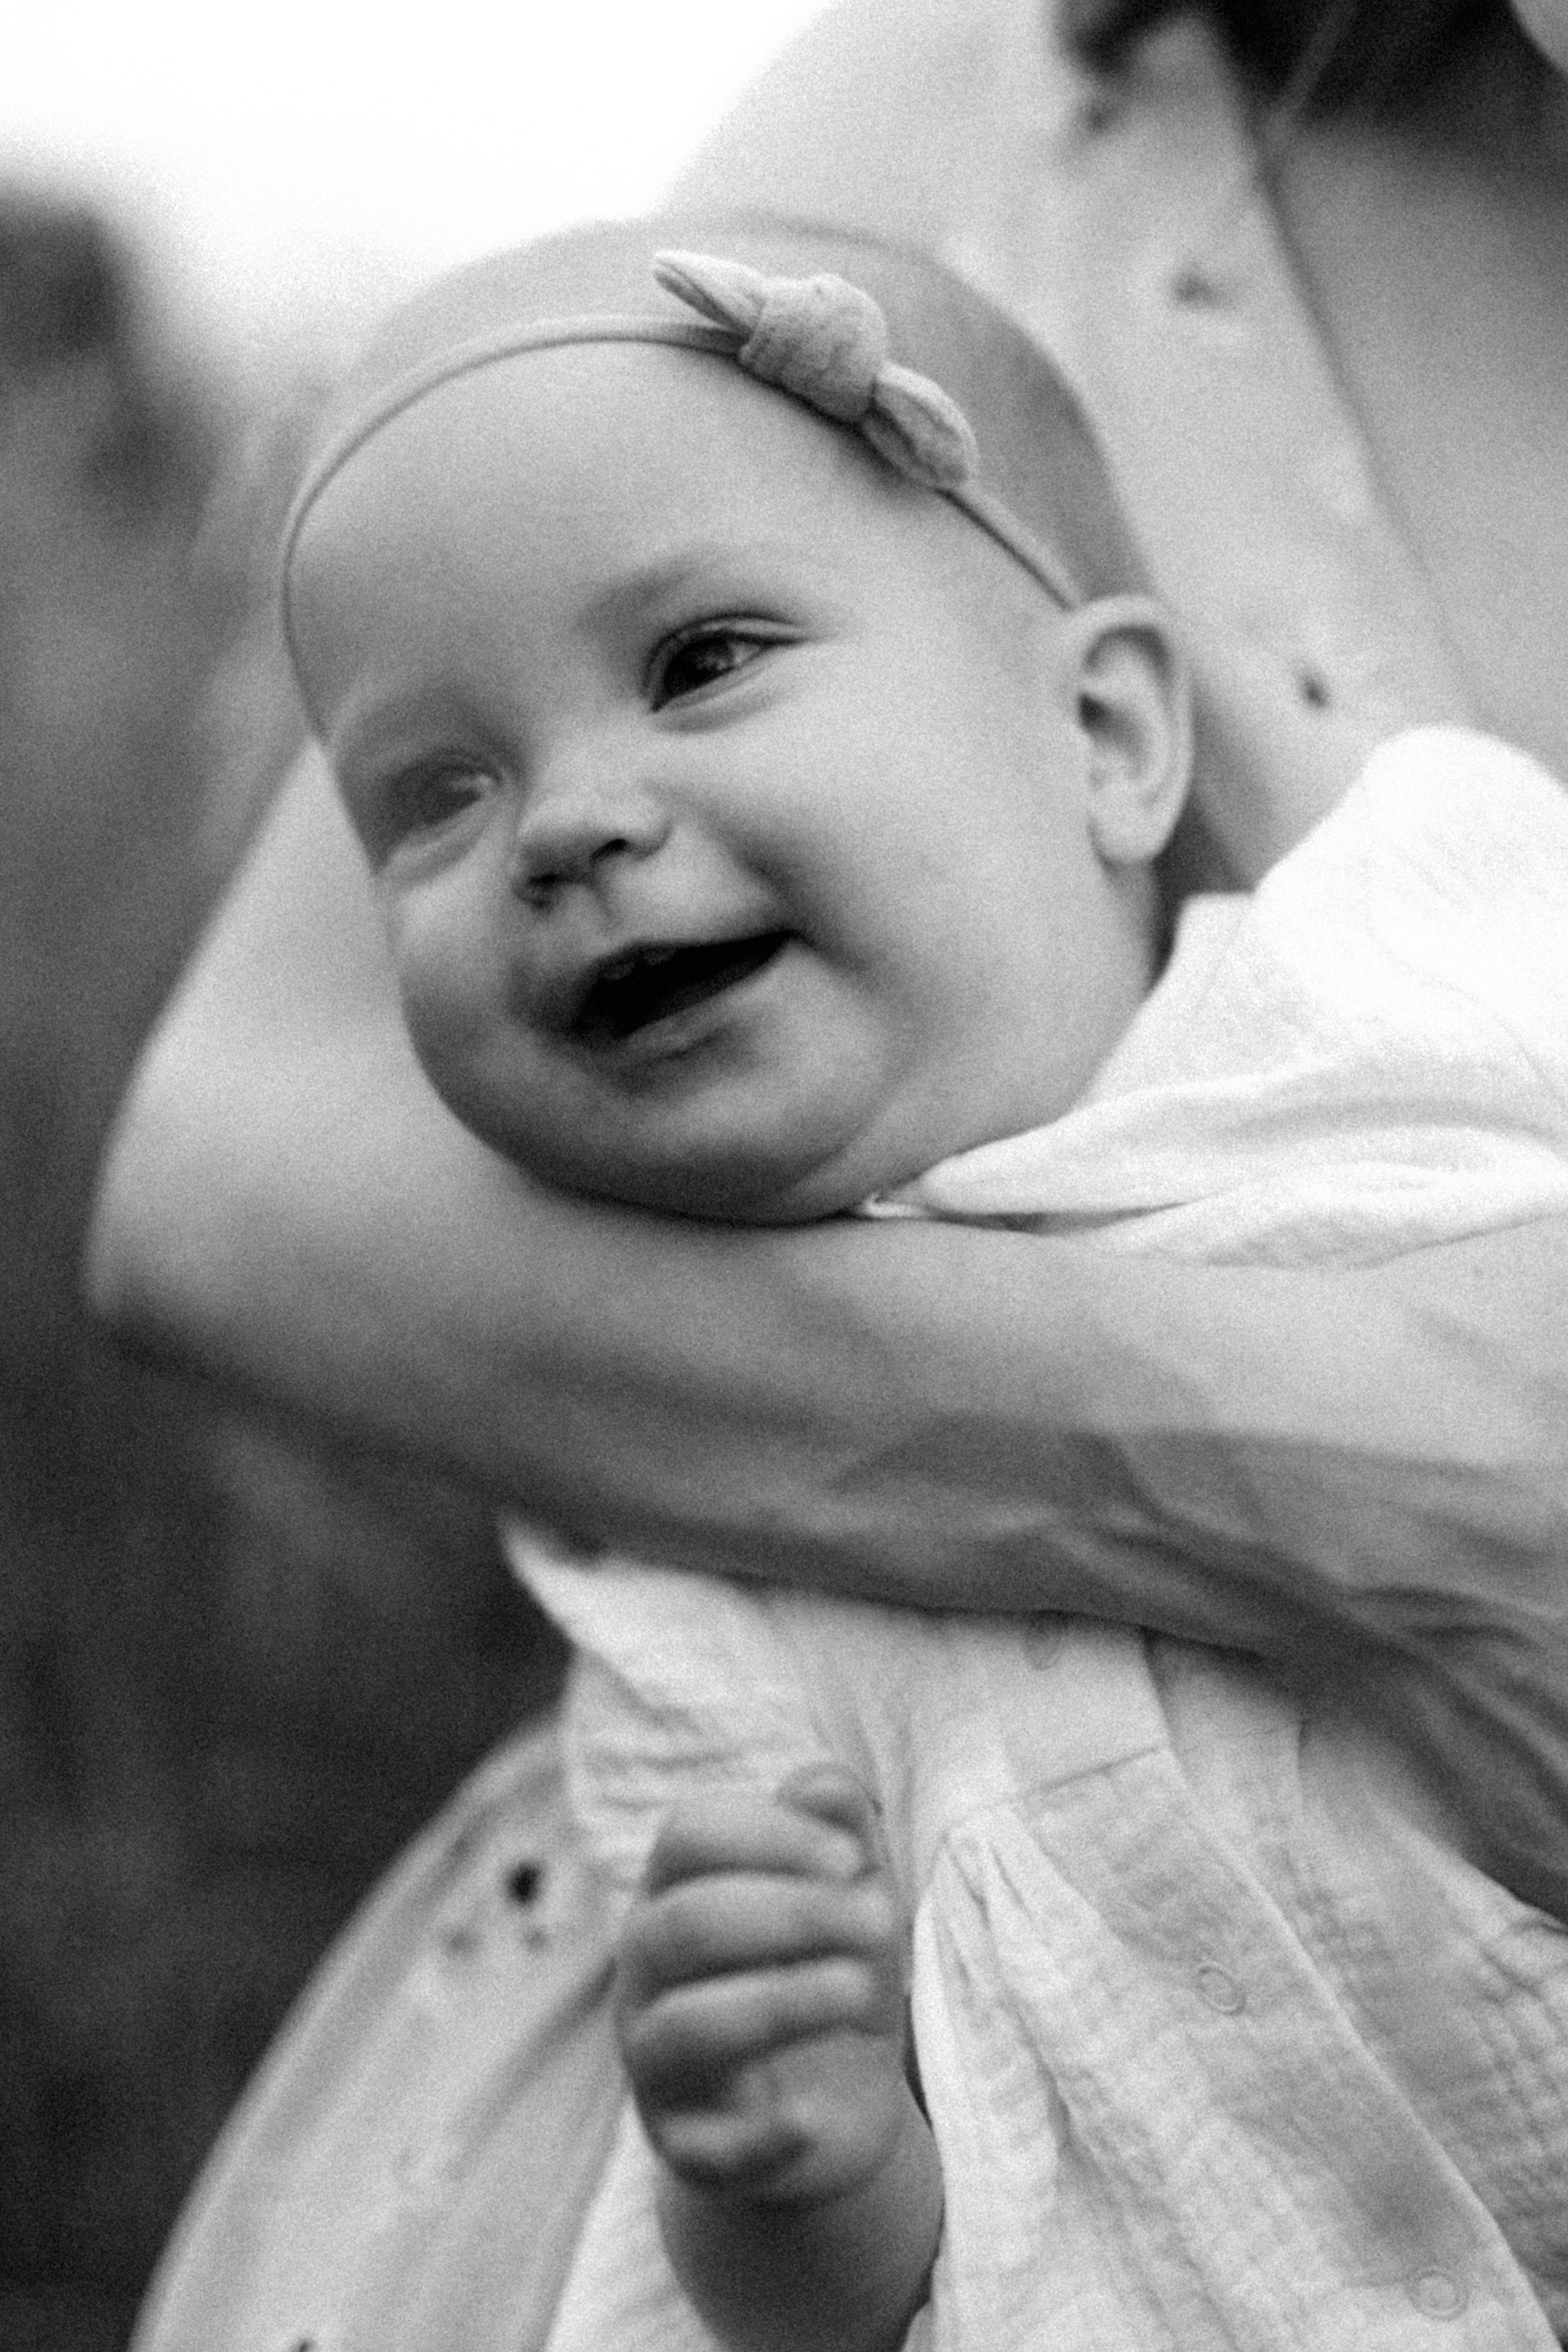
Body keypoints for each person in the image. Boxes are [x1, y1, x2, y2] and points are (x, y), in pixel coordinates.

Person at [98, 4, 1568, 2350]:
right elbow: (868, 2279)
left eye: (703, 659)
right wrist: (791, 2169)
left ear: (1108, 733)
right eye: (433, 803)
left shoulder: (1395, 993)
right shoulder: (703, 1580)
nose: (567, 819)